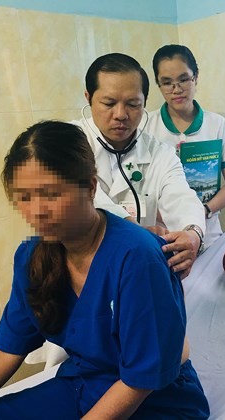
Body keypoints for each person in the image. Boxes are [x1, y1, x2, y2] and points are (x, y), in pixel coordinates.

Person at [0, 121, 209, 419]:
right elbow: (4, 352)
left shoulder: (137, 257)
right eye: (24, 197)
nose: (36, 210)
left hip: (157, 402)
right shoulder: (32, 257)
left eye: (50, 194)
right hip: (84, 385)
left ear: (89, 187)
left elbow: (139, 381)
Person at [76, 53, 205, 277]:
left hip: (137, 269)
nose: (121, 115)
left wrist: (193, 233)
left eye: (133, 104)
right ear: (89, 98)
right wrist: (134, 229)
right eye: (108, 103)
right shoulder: (67, 141)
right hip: (81, 269)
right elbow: (82, 195)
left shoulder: (160, 153)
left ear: (144, 101)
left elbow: (181, 196)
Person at [146, 44, 225, 247]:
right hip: (161, 233)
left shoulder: (217, 124)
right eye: (167, 83)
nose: (176, 89)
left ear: (195, 77)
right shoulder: (145, 126)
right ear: (158, 84)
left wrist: (204, 211)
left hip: (208, 233)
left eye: (183, 79)